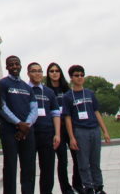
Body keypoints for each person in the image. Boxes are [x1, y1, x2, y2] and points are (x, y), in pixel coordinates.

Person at [62, 65, 110, 194]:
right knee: (83, 162)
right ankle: (88, 187)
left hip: (94, 129)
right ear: (71, 78)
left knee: (95, 161)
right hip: (80, 130)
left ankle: (99, 187)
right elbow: (67, 118)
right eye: (76, 75)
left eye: (82, 75)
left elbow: (96, 112)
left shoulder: (89, 93)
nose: (80, 78)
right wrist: (71, 137)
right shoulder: (67, 96)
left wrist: (104, 131)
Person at [0, 55, 37, 194]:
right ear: (7, 67)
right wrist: (18, 123)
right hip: (9, 130)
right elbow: (2, 107)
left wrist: (26, 125)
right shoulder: (2, 84)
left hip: (27, 131)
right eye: (11, 64)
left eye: (17, 64)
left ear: (20, 66)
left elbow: (34, 109)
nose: (14, 66)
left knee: (28, 167)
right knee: (10, 167)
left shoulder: (27, 87)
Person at [26, 63, 61, 194]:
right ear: (28, 73)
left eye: (40, 71)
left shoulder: (49, 92)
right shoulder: (25, 90)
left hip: (47, 133)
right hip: (30, 133)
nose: (37, 74)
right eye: (34, 71)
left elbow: (56, 114)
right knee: (29, 168)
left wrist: (57, 134)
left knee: (47, 168)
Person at [45, 63, 75, 194]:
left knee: (77, 157)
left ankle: (77, 183)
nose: (54, 73)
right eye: (51, 71)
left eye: (57, 71)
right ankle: (66, 188)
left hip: (69, 126)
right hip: (56, 128)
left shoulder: (67, 90)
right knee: (63, 159)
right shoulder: (46, 91)